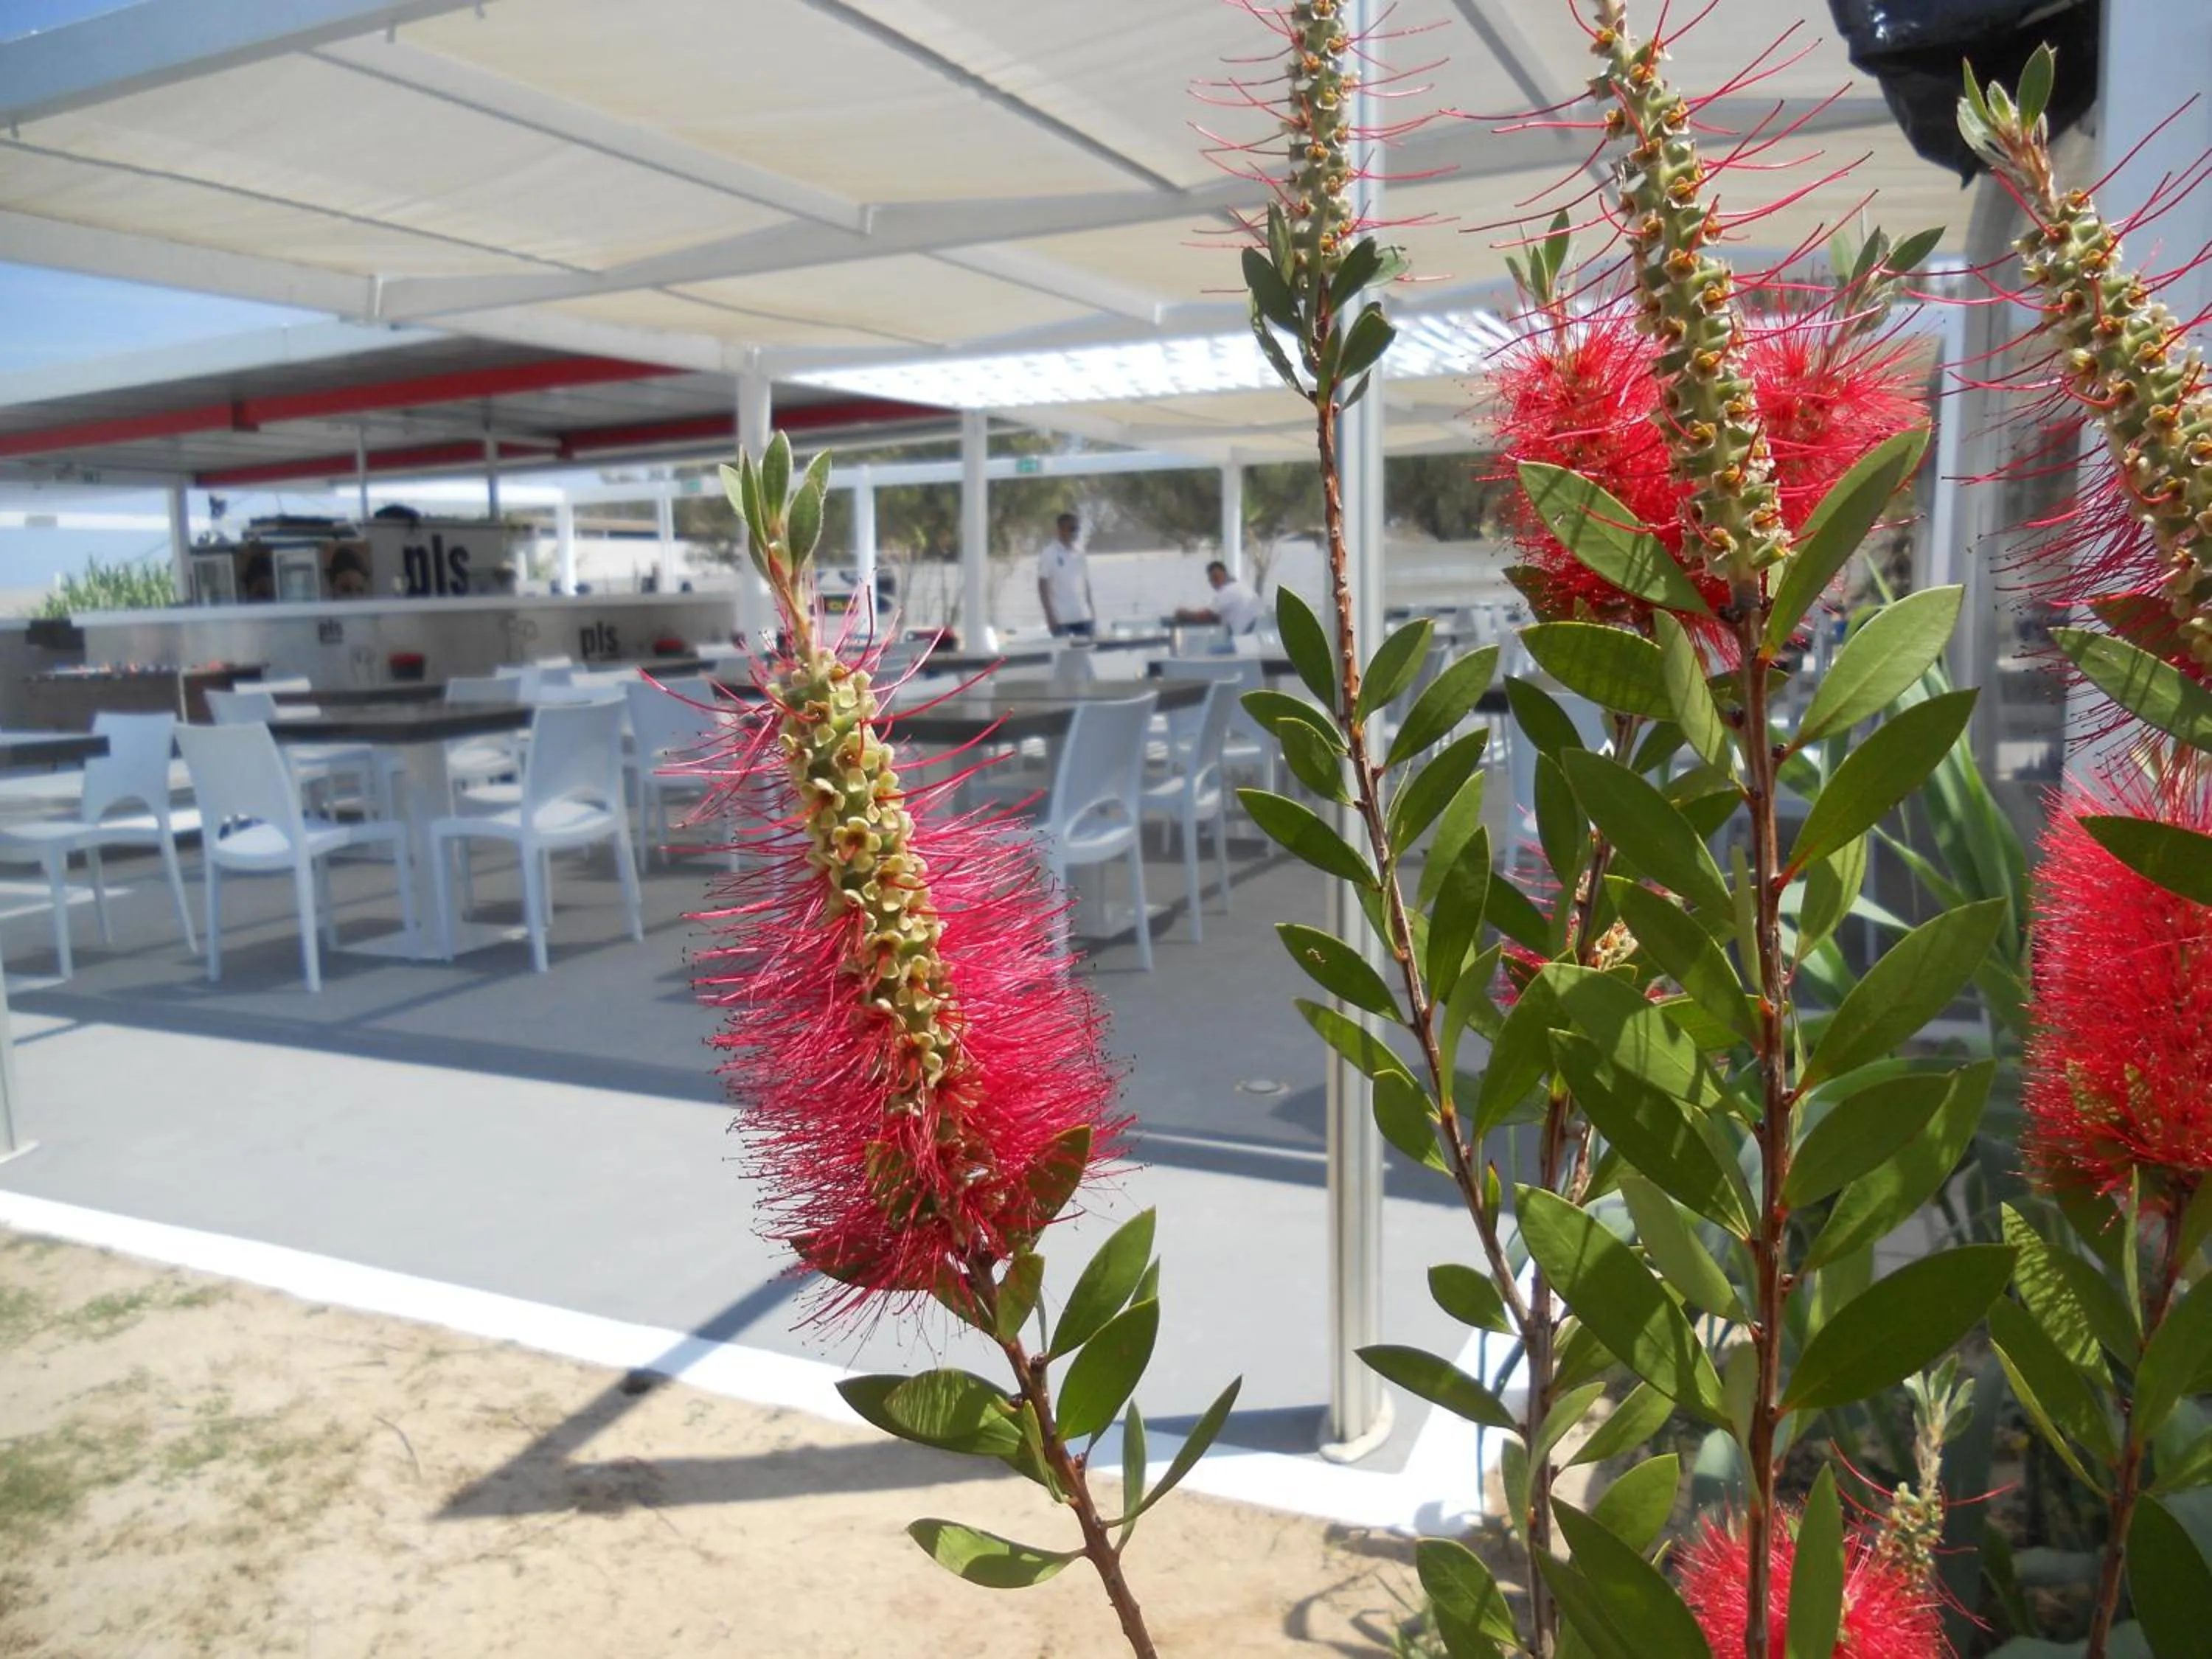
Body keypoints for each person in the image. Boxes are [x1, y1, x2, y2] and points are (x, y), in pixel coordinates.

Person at [1036, 512, 1095, 639]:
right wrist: (1049, 615)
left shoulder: (1080, 553)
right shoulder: (1049, 553)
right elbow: (1042, 586)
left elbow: (1085, 584)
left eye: (1077, 529)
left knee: (1088, 649)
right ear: (1060, 530)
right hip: (1061, 620)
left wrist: (1091, 612)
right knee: (1063, 650)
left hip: (1083, 617)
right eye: (1071, 529)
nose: (1075, 533)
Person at [1173, 560, 1264, 637]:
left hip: (1240, 641)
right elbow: (1215, 616)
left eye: (1216, 577)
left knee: (1209, 650)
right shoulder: (1243, 586)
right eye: (1212, 579)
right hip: (1253, 637)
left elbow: (1205, 616)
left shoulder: (1227, 592)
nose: (1215, 582)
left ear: (1225, 575)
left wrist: (1184, 614)